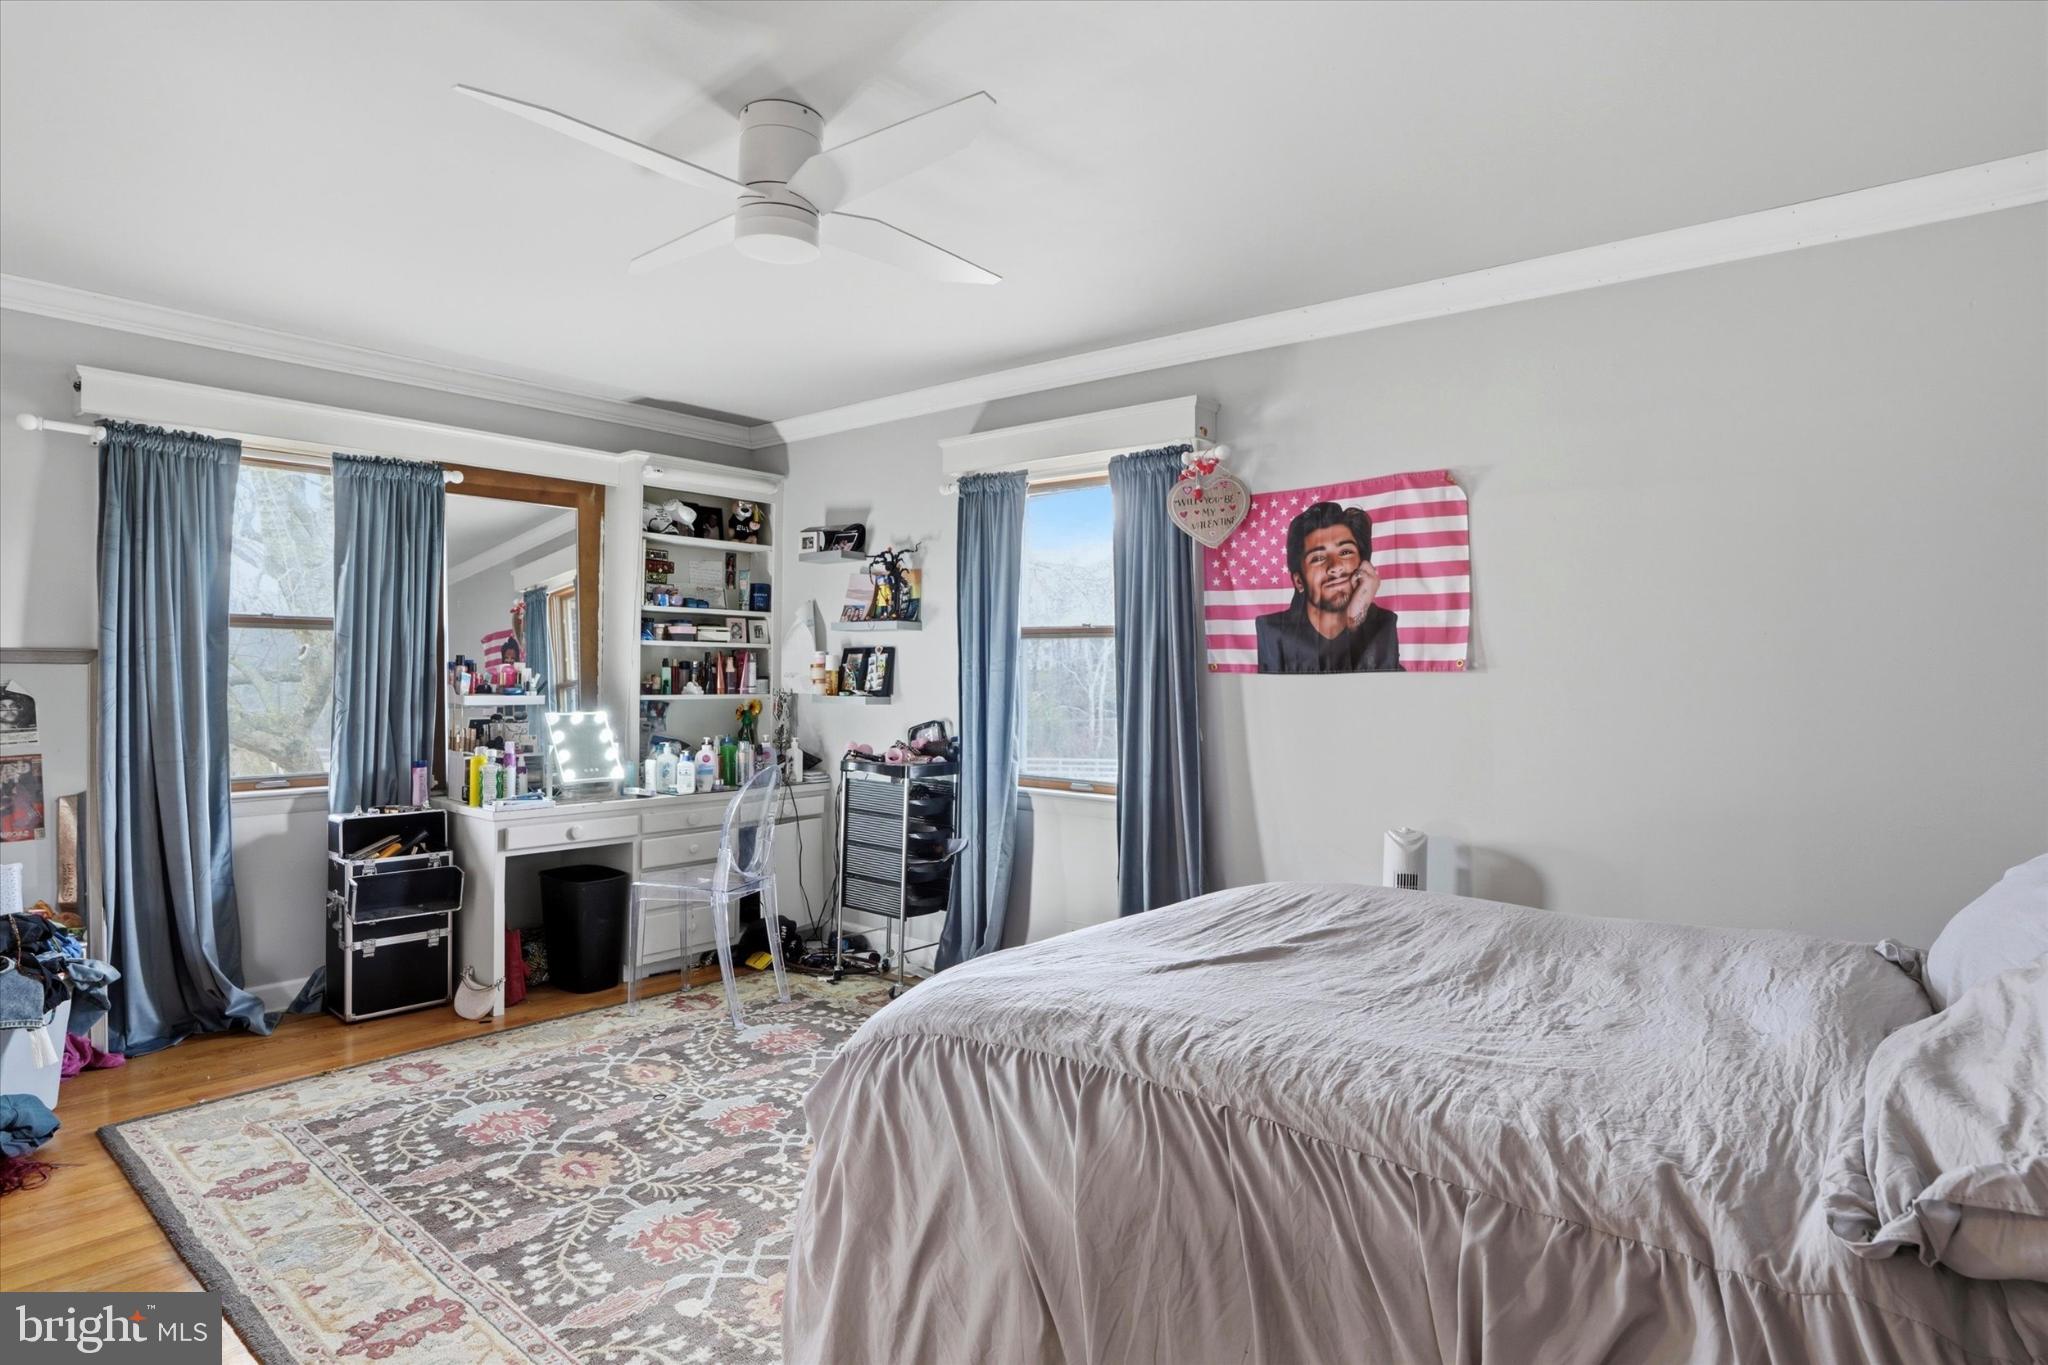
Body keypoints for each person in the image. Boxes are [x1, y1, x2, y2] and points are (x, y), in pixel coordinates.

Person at [1254, 502, 1404, 673]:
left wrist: (1356, 617)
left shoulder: (1383, 624)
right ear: (1299, 581)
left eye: (1345, 552)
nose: (1335, 566)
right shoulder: (1273, 632)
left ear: (1364, 565)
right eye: (1318, 558)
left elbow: (1387, 690)